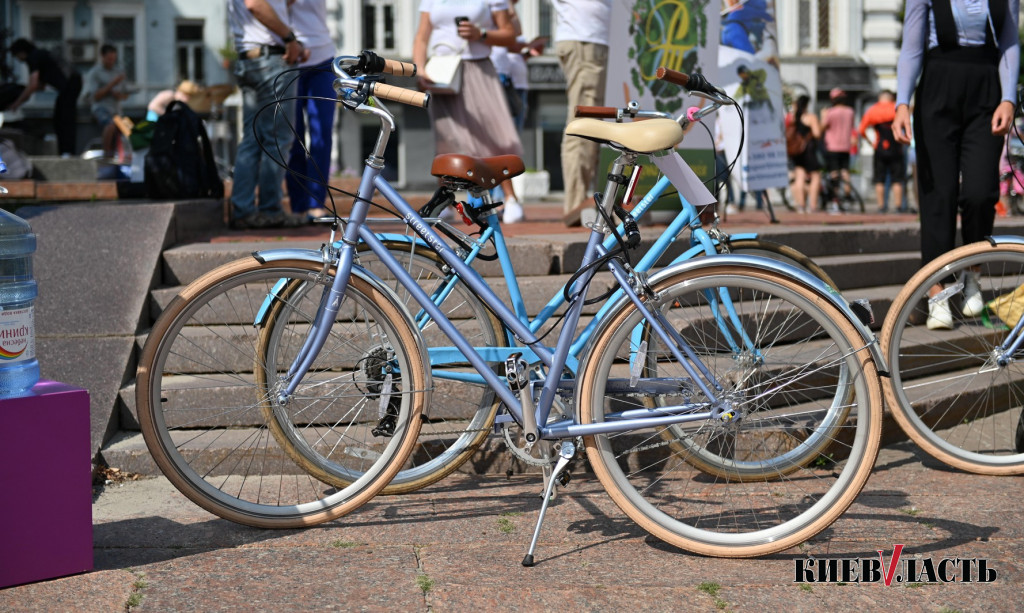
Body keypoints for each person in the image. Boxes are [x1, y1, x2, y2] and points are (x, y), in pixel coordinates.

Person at [892, 0, 1020, 330]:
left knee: (981, 191)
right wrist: (902, 103)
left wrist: (1009, 97)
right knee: (939, 195)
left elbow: (1009, 41)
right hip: (937, 87)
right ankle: (937, 293)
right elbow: (911, 46)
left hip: (986, 90)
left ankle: (972, 274)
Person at [413, 0, 525, 223]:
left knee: (493, 134)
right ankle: (444, 200)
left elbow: (510, 35)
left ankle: (511, 199)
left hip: (478, 67)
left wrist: (481, 34)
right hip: (442, 69)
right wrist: (419, 69)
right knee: (447, 138)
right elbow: (422, 36)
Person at [227, 0, 310, 230]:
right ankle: (270, 211)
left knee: (252, 140)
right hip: (269, 61)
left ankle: (243, 210)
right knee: (278, 139)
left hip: (250, 58)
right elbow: (255, 4)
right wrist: (290, 38)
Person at [550, 0, 611, 226]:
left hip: (591, 38)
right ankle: (577, 206)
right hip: (586, 39)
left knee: (595, 124)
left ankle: (590, 203)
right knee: (585, 124)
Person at [284, 0, 338, 220]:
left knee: (322, 134)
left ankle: (316, 202)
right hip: (290, 58)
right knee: (292, 136)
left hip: (323, 58)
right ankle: (298, 205)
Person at [6, 38, 83, 157]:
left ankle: (67, 151)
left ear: (21, 52)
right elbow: (39, 86)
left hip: (70, 85)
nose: (18, 59)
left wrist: (16, 103)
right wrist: (23, 95)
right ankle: (65, 150)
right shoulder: (41, 54)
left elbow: (33, 84)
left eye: (17, 56)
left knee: (64, 118)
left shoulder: (33, 57)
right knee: (60, 117)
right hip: (71, 84)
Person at [858, 90, 905, 214]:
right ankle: (898, 207)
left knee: (879, 179)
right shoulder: (896, 109)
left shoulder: (873, 110)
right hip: (896, 149)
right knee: (897, 179)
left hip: (879, 149)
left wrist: (870, 142)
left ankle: (881, 207)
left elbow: (861, 129)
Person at [83, 44, 129, 158]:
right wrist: (112, 85)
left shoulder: (118, 71)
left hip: (117, 111)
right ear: (102, 57)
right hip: (101, 109)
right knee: (110, 125)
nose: (111, 62)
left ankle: (128, 156)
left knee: (130, 130)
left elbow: (125, 95)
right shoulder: (95, 73)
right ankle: (107, 154)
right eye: (109, 59)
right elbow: (94, 96)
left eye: (114, 59)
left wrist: (120, 95)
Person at [786, 94, 822, 214]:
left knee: (799, 176)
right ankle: (812, 205)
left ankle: (801, 205)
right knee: (815, 176)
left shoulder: (794, 118)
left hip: (797, 151)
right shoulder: (810, 117)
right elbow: (817, 134)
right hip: (808, 150)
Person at [820, 88, 854, 206]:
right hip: (845, 146)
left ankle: (836, 197)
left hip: (832, 147)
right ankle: (848, 194)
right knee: (845, 171)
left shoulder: (831, 112)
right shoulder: (850, 111)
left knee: (834, 173)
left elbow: (822, 128)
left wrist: (822, 116)